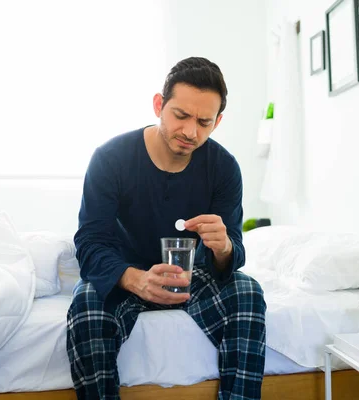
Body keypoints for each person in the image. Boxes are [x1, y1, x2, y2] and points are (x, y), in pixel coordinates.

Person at [66, 57, 267, 400]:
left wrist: (224, 248)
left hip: (193, 278)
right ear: (159, 105)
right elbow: (90, 242)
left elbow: (233, 252)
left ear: (217, 122)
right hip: (126, 275)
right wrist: (136, 279)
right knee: (85, 302)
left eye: (204, 122)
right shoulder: (111, 158)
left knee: (248, 291)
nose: (191, 131)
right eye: (181, 115)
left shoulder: (224, 168)